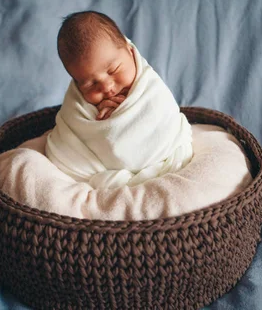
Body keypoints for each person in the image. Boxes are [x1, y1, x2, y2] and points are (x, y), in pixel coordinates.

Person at [45, 10, 193, 189]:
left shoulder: (151, 87)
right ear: (76, 85)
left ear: (130, 52)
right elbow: (68, 141)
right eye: (91, 85)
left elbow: (163, 120)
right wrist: (106, 124)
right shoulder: (79, 104)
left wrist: (125, 114)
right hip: (98, 169)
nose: (107, 88)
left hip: (163, 157)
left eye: (113, 70)